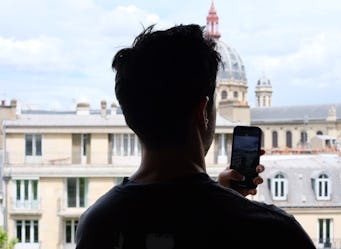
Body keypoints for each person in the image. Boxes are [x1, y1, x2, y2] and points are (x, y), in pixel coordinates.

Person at [76, 24, 315, 249]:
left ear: (131, 118)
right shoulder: (272, 232)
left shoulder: (96, 224)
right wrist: (225, 202)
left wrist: (220, 197)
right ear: (203, 112)